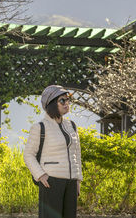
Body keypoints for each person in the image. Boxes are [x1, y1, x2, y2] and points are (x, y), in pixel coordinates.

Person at [24, 85, 82, 218]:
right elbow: (28, 154)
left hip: (71, 182)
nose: (67, 103)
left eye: (68, 100)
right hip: (51, 181)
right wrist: (40, 175)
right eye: (62, 100)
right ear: (51, 104)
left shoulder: (72, 126)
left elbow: (76, 154)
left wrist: (78, 179)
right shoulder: (40, 127)